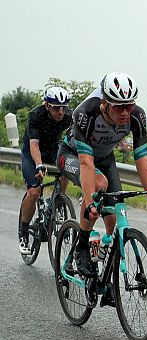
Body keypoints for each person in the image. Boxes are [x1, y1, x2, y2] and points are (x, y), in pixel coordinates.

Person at [57, 72, 147, 278]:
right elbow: (85, 162)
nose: (126, 112)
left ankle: (103, 268)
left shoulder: (137, 116)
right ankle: (81, 248)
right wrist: (90, 202)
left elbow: (142, 159)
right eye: (119, 106)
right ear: (104, 103)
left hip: (105, 159)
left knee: (112, 219)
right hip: (73, 155)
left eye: (129, 105)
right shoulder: (86, 113)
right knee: (99, 183)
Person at [18, 86, 73, 255]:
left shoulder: (69, 116)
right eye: (56, 108)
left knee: (67, 169)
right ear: (47, 105)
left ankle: (57, 201)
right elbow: (34, 145)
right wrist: (39, 164)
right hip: (32, 151)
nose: (60, 111)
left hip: (52, 149)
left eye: (63, 107)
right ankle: (24, 232)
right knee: (34, 192)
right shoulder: (36, 115)